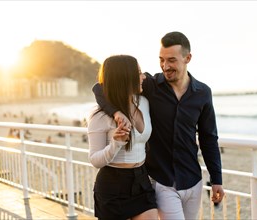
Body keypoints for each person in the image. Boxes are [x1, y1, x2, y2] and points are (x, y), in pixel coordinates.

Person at [93, 32, 224, 219]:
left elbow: (209, 138)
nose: (165, 66)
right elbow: (100, 87)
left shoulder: (203, 93)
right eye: (161, 60)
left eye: (171, 60)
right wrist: (116, 112)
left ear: (188, 58)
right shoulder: (150, 85)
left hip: (193, 179)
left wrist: (216, 179)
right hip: (162, 181)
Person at [87, 55, 158, 220]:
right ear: (125, 78)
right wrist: (116, 143)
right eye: (139, 73)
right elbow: (95, 160)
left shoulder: (144, 102)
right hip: (113, 187)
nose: (144, 77)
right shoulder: (99, 115)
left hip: (141, 180)